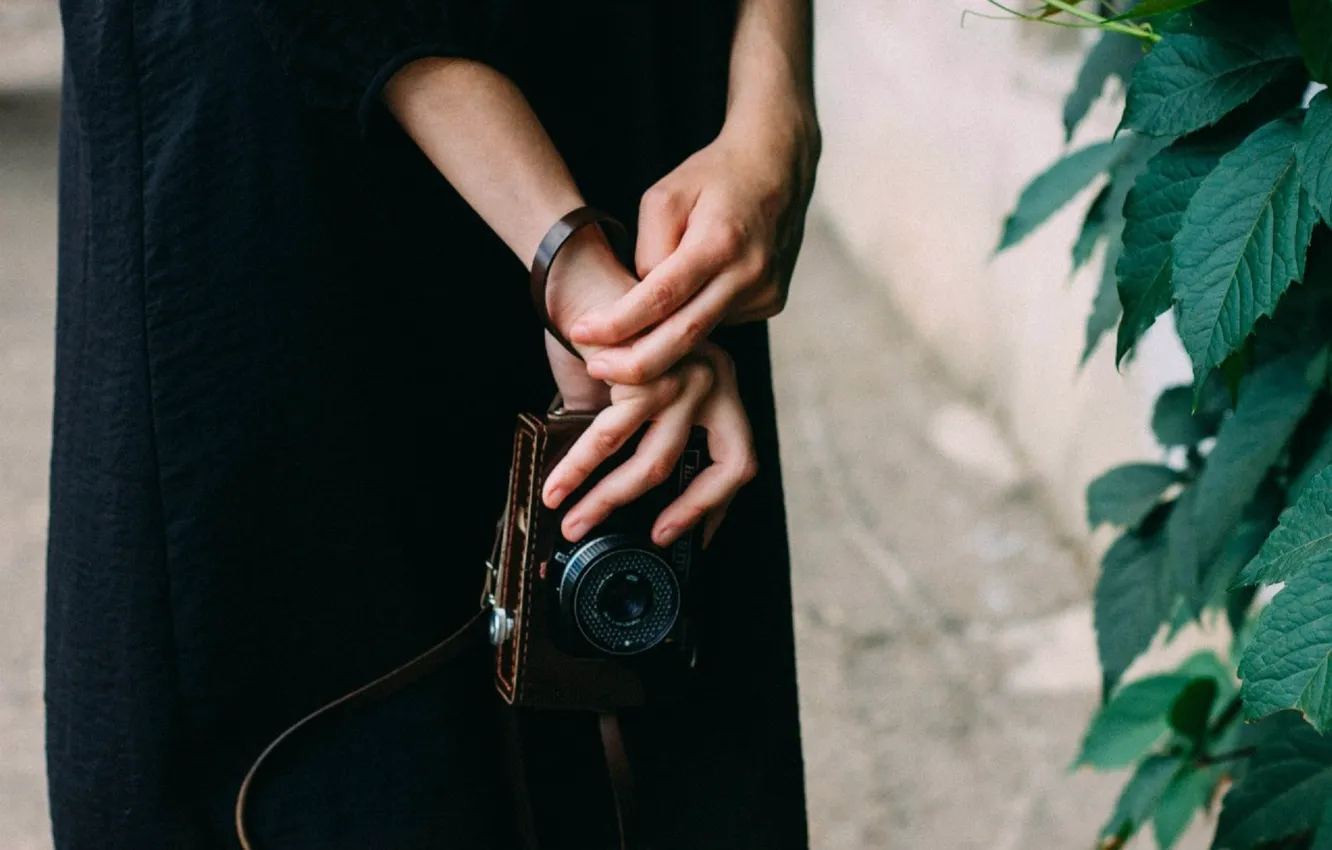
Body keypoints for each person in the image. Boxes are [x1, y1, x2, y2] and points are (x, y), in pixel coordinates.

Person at [45, 1, 820, 847]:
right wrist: (571, 266)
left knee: (650, 686)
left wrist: (771, 104)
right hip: (310, 189)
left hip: (642, 147)